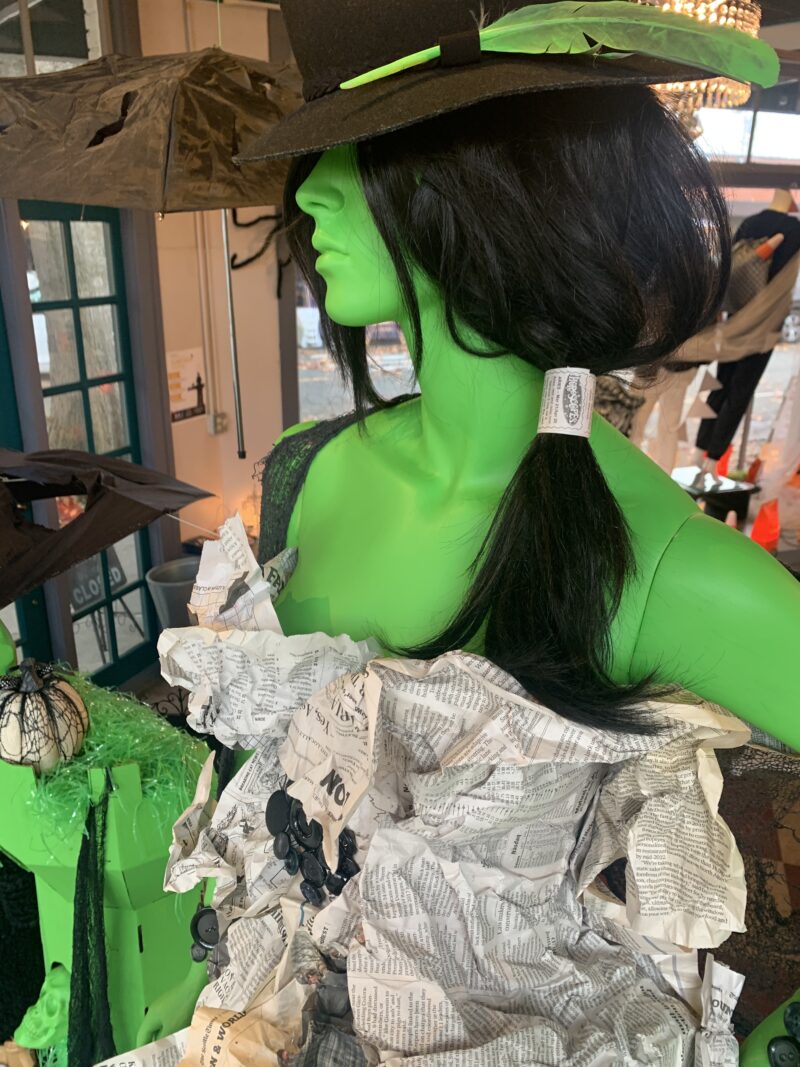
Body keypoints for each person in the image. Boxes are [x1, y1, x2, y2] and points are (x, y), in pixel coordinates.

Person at [696, 189, 800, 461]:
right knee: (740, 393)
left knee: (720, 385)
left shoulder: (750, 223)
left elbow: (730, 267)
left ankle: (699, 449)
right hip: (765, 324)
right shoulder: (794, 229)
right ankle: (713, 457)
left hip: (737, 318)